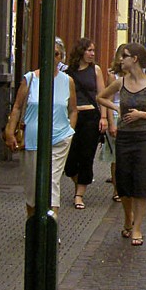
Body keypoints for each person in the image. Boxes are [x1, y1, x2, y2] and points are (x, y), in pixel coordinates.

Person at [97, 43, 146, 245]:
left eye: (124, 56)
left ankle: (137, 228)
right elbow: (100, 97)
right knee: (124, 182)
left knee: (142, 182)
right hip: (125, 137)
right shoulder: (121, 83)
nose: (121, 60)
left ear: (134, 59)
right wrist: (116, 107)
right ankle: (128, 217)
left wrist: (140, 114)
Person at [3, 39, 78, 222]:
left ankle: (50, 227)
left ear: (61, 57)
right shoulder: (30, 79)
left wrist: (70, 130)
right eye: (48, 53)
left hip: (59, 139)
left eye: (56, 54)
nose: (52, 58)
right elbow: (18, 107)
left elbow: (73, 109)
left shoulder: (67, 81)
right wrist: (10, 132)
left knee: (52, 181)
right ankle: (33, 223)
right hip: (33, 139)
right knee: (33, 186)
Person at [62, 38, 107, 210]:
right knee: (70, 161)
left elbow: (101, 95)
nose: (92, 54)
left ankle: (79, 194)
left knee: (87, 157)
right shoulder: (68, 72)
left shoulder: (95, 70)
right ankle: (78, 181)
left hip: (91, 117)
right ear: (80, 52)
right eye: (89, 50)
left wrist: (103, 117)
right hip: (72, 117)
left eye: (93, 50)